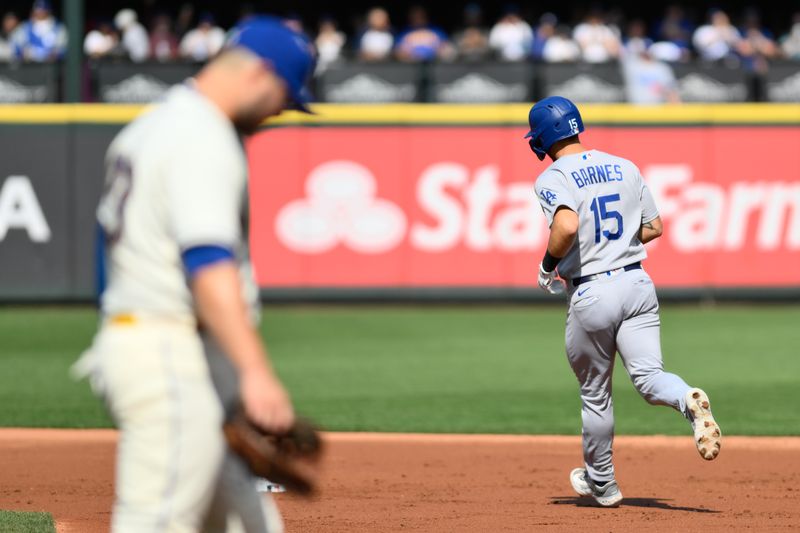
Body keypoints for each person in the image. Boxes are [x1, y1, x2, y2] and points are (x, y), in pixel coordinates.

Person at [73, 16, 316, 532]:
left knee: (250, 525)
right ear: (261, 75)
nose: (277, 111)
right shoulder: (202, 137)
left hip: (168, 349)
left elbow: (106, 259)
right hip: (171, 354)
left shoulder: (150, 125)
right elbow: (207, 264)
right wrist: (254, 372)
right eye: (283, 97)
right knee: (154, 522)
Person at [526, 96, 721, 507]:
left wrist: (547, 267)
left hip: (593, 289)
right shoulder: (624, 165)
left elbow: (566, 224)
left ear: (540, 140)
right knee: (650, 378)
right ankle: (687, 398)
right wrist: (616, 246)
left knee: (596, 393)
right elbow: (654, 227)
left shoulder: (553, 176)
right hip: (637, 283)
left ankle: (604, 484)